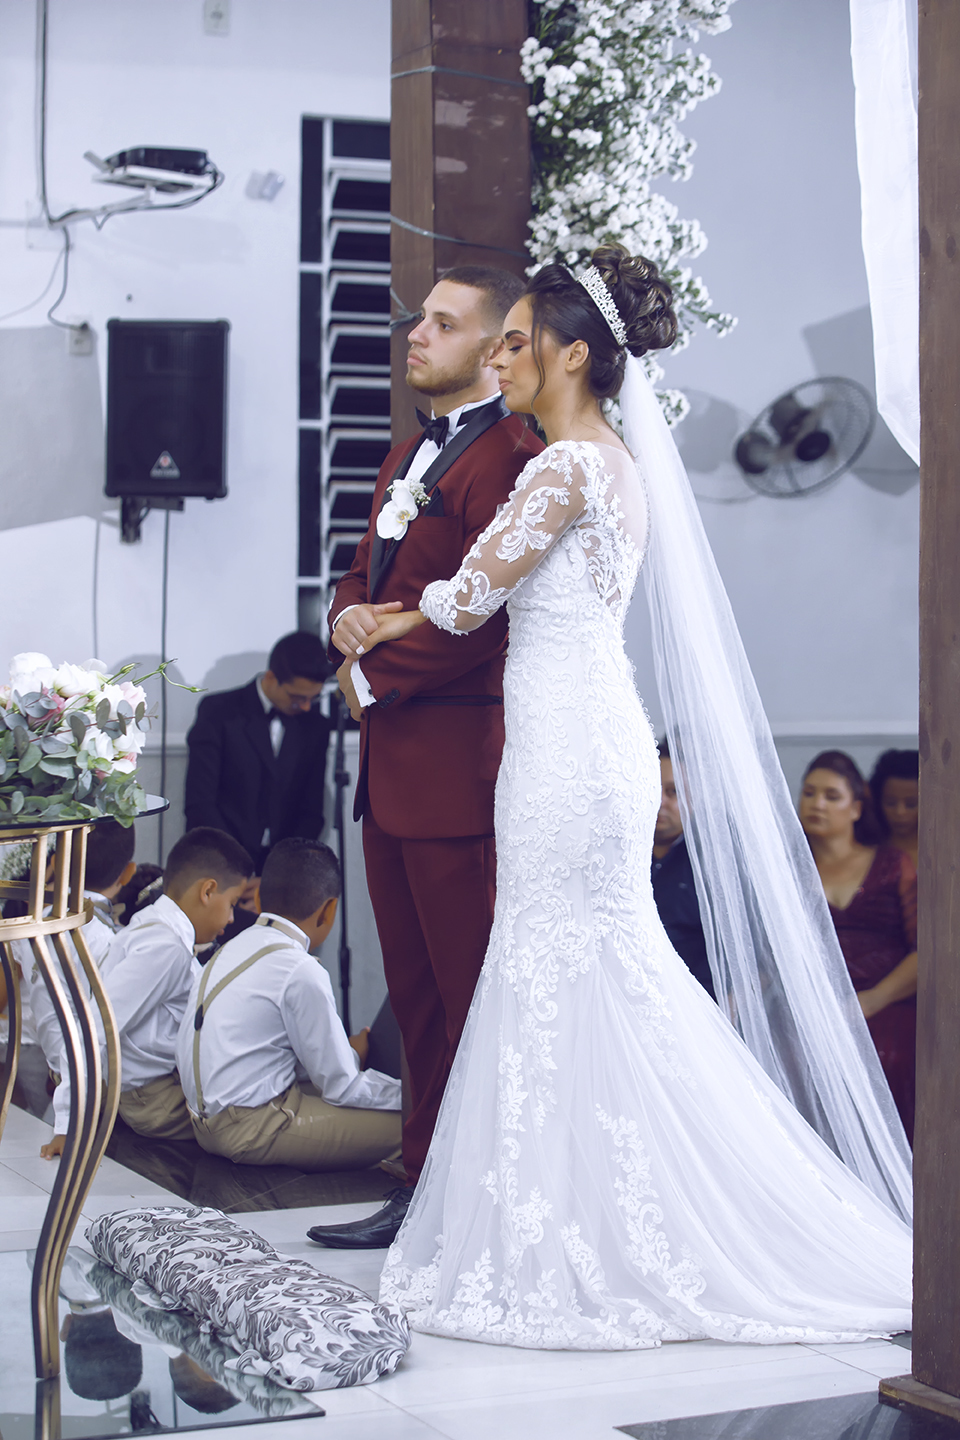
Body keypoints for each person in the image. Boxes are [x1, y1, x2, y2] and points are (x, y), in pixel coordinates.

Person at [332, 246, 911, 1347]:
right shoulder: (614, 463)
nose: (503, 358)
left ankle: (569, 1222)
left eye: (516, 342)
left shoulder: (564, 468)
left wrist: (376, 625)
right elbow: (472, 598)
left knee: (554, 965)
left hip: (568, 749)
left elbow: (466, 600)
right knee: (582, 970)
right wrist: (388, 618)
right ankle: (581, 1210)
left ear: (571, 355)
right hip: (581, 734)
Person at [306, 265, 543, 1250]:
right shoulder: (407, 453)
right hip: (391, 772)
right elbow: (362, 576)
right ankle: (424, 1188)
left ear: (493, 348)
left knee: (471, 996)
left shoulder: (514, 456)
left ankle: (486, 1199)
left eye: (443, 324)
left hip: (458, 773)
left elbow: (486, 621)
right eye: (419, 320)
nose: (417, 335)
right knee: (414, 997)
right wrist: (343, 621)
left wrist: (369, 674)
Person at [177, 837, 401, 1170]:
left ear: (257, 897)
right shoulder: (300, 968)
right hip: (251, 1128)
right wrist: (416, 1097)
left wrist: (349, 1055)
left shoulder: (228, 951)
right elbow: (342, 1088)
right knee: (415, 1125)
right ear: (329, 910)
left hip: (204, 1122)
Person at [101, 827, 252, 1139]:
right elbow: (99, 1025)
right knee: (253, 1122)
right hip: (151, 1099)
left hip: (150, 1089)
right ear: (207, 891)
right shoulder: (166, 945)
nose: (231, 918)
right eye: (233, 903)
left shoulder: (160, 927)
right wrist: (70, 1121)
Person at [800, 751, 917, 1142]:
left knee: (890, 1057)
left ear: (856, 807)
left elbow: (926, 952)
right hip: (815, 1007)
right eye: (809, 793)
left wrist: (869, 1001)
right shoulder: (786, 871)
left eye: (831, 796)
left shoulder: (894, 863)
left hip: (886, 1003)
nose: (817, 804)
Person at [11, 819, 137, 1159]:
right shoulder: (108, 941)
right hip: (87, 1083)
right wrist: (68, 1124)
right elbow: (90, 1036)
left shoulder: (32, 925)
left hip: (50, 1065)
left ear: (57, 862)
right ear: (128, 873)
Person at [184, 632, 332, 873]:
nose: (306, 707)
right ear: (271, 677)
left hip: (283, 868)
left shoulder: (316, 727)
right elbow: (200, 804)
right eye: (297, 698)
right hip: (218, 861)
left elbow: (312, 811)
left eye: (312, 699)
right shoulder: (218, 712)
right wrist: (235, 871)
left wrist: (279, 873)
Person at [650, 739, 715, 1000]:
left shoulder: (709, 862)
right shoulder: (619, 853)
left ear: (694, 797)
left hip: (698, 1001)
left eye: (673, 792)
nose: (659, 801)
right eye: (652, 788)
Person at [869, 748, 919, 869]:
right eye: (890, 803)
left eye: (911, 804)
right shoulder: (866, 852)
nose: (900, 812)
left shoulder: (948, 851)